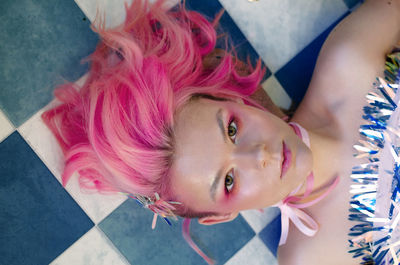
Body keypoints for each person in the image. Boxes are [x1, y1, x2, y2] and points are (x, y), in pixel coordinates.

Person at [42, 0, 400, 264]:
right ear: (220, 216)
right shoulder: (311, 257)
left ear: (230, 99)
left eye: (232, 128)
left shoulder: (351, 59)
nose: (258, 155)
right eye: (229, 181)